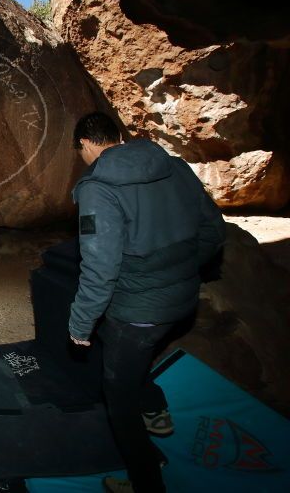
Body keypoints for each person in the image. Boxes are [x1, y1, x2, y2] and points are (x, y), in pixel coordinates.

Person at [67, 112, 226, 493]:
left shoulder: (97, 188)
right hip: (182, 299)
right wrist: (178, 271)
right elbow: (214, 229)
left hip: (138, 312)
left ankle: (146, 484)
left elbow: (101, 267)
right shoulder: (173, 165)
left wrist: (80, 323)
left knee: (118, 401)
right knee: (129, 359)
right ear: (117, 135)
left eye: (80, 153)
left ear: (86, 145)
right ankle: (155, 411)